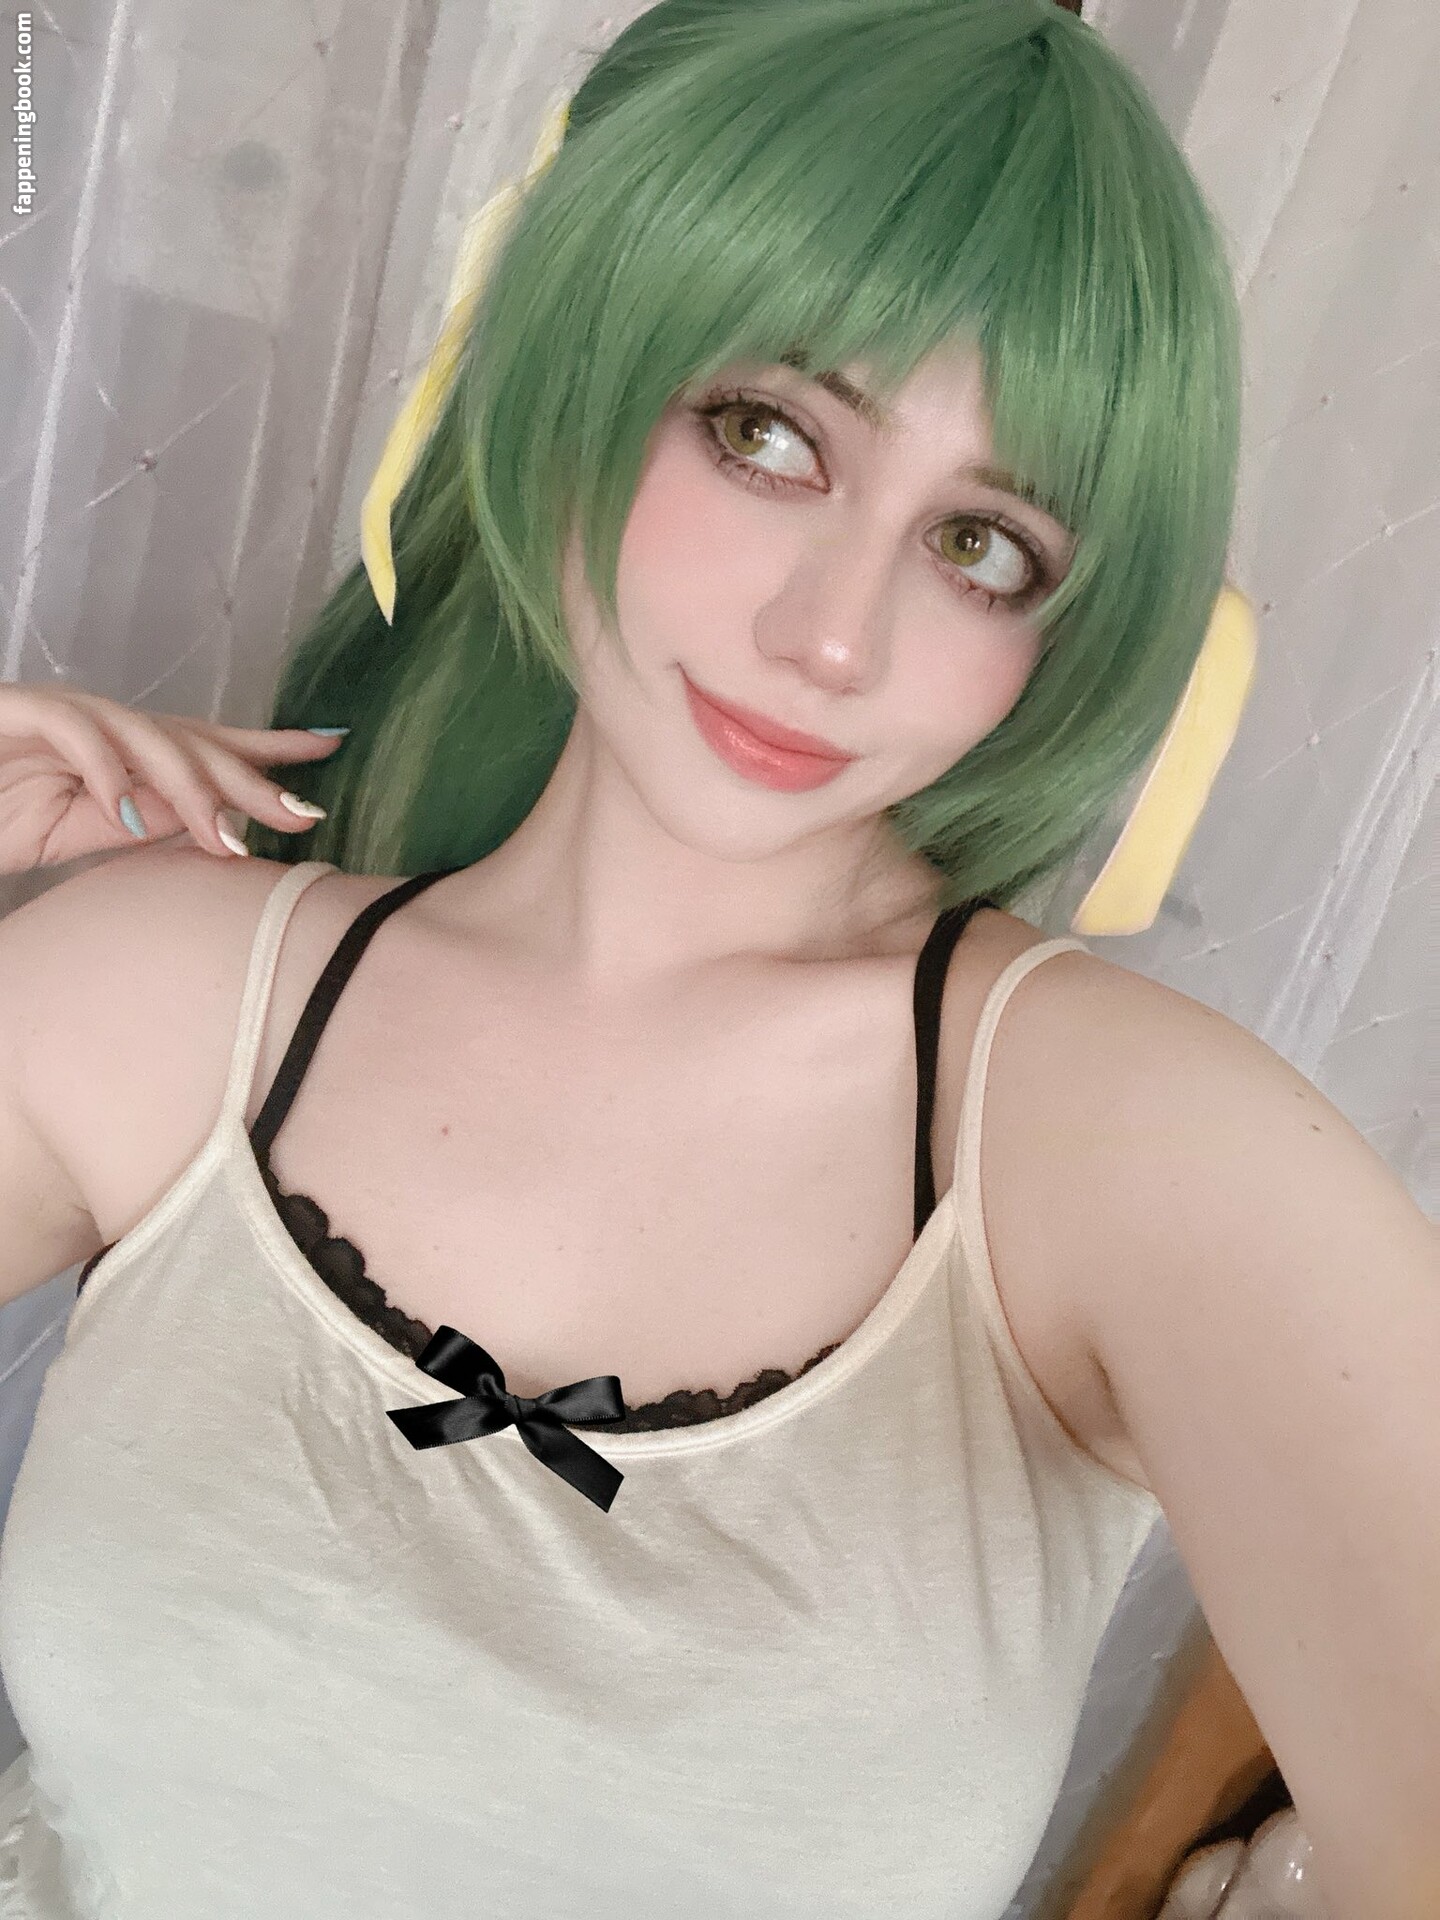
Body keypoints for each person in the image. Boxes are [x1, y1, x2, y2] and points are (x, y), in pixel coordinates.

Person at [0, 2, 1433, 1915]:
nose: (833, 637)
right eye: (769, 438)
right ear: (580, 367)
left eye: (983, 548)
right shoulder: (166, 996)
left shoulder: (1127, 1157)